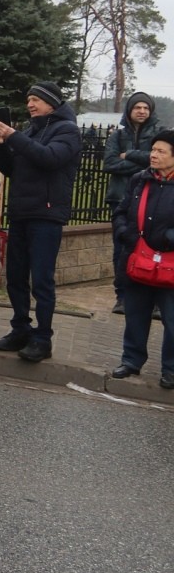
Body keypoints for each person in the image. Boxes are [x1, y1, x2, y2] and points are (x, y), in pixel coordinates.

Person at [0, 81, 82, 363]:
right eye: (28, 99)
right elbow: (12, 169)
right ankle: (20, 330)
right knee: (15, 277)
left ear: (51, 102)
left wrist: (14, 136)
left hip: (47, 215)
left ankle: (43, 339)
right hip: (21, 213)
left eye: (35, 100)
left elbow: (49, 158)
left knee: (41, 280)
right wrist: (0, 146)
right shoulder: (32, 131)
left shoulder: (67, 130)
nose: (30, 104)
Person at [111, 129, 174, 390]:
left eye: (161, 151)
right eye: (153, 149)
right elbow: (121, 211)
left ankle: (170, 369)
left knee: (172, 321)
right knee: (135, 314)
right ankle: (131, 360)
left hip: (170, 265)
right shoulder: (140, 179)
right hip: (139, 258)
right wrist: (126, 234)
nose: (154, 155)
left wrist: (169, 237)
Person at [103, 92, 160, 314]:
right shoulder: (116, 136)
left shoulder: (159, 134)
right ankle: (122, 297)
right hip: (120, 199)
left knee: (153, 247)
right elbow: (109, 163)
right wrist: (143, 163)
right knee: (122, 248)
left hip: (152, 198)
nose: (142, 111)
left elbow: (158, 162)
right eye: (138, 107)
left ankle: (155, 301)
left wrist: (129, 155)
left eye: (146, 108)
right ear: (130, 110)